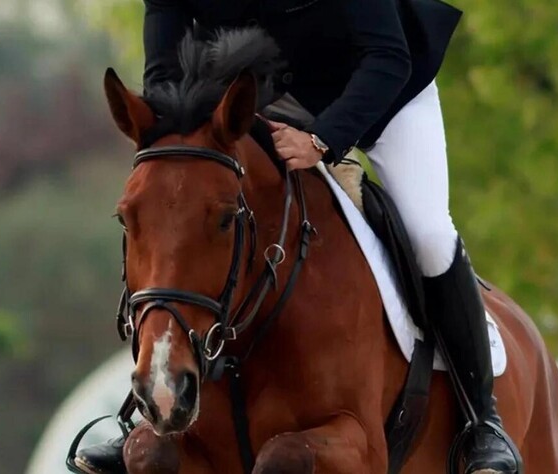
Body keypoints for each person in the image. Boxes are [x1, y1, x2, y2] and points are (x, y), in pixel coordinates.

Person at [75, 1, 522, 473]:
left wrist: (321, 139)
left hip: (380, 91)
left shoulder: (381, 81)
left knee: (428, 233)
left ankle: (481, 421)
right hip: (257, 98)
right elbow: (165, 79)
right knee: (188, 211)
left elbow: (388, 58)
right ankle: (153, 403)